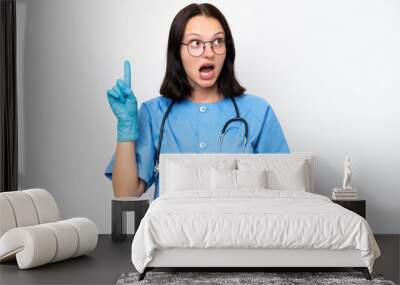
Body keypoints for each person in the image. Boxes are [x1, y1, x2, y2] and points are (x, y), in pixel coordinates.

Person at [104, 3, 290, 199]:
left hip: (241, 229)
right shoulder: (153, 113)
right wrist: (126, 128)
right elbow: (126, 193)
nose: (209, 52)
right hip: (172, 229)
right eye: (195, 43)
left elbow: (286, 192)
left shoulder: (258, 112)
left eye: (218, 41)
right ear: (177, 52)